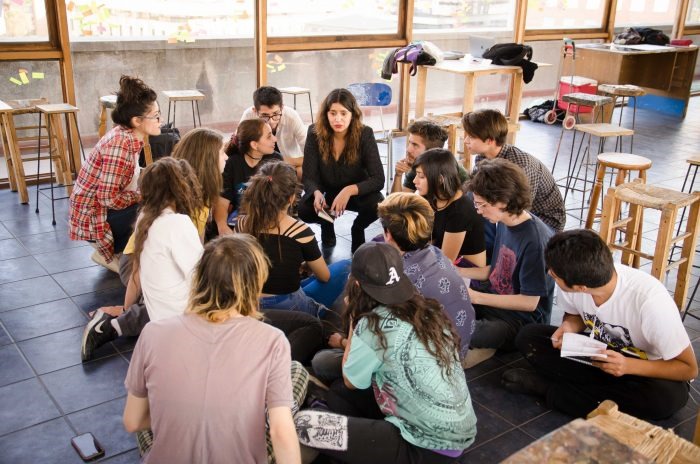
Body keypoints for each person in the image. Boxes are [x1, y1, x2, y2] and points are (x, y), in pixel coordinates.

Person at [123, 234, 301, 463]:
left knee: (150, 410)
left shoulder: (152, 333)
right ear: (255, 284)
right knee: (297, 373)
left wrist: (176, 415)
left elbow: (132, 421)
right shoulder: (273, 341)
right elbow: (281, 432)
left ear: (199, 277)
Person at [296, 242, 477, 464]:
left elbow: (351, 381)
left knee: (304, 424)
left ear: (356, 284)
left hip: (422, 449)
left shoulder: (372, 324)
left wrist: (354, 316)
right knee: (338, 393)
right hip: (458, 436)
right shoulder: (427, 309)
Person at [503, 230, 698, 420]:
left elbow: (688, 369)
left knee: (665, 399)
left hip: (645, 368)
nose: (549, 272)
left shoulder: (651, 302)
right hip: (600, 353)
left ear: (581, 287)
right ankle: (598, 392)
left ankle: (550, 390)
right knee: (529, 337)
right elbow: (575, 315)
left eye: (554, 275)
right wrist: (569, 327)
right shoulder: (577, 279)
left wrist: (628, 366)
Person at [80, 128, 228, 362]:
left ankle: (119, 321)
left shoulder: (149, 214)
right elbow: (197, 276)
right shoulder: (178, 222)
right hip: (168, 309)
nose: (226, 156)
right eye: (222, 152)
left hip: (157, 286)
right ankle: (117, 323)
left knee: (165, 296)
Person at [311, 193, 477, 382]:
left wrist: (343, 341)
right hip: (456, 351)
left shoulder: (394, 279)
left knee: (321, 361)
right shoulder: (436, 253)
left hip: (425, 369)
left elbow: (376, 336)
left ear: (388, 234)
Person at [458, 158, 555, 367]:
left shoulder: (534, 240)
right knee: (444, 307)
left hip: (519, 319)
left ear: (502, 201)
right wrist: (456, 272)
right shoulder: (503, 220)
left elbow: (529, 303)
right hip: (493, 299)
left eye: (481, 204)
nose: (478, 210)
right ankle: (479, 343)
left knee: (463, 328)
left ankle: (482, 344)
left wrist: (476, 297)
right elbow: (495, 271)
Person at [69, 75, 161, 272]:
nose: (160, 121)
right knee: (155, 208)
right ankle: (113, 253)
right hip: (94, 218)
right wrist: (140, 196)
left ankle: (119, 253)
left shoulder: (129, 136)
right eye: (155, 116)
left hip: (101, 210)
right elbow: (107, 198)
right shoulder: (120, 145)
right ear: (137, 121)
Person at [237, 161, 350, 316]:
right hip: (287, 305)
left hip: (247, 301)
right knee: (345, 266)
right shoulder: (299, 231)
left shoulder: (242, 223)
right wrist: (307, 264)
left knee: (301, 281)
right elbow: (324, 277)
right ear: (291, 198)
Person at [298, 88, 385, 253]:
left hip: (356, 193)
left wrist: (349, 190)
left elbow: (378, 179)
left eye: (343, 113)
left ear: (352, 114)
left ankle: (357, 229)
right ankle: (326, 222)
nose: (338, 119)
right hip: (327, 193)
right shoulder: (314, 132)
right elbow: (308, 175)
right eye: (333, 113)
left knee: (378, 204)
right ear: (326, 114)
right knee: (304, 209)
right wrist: (316, 192)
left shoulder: (365, 133)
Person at [463, 109, 565, 232]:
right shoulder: (482, 157)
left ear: (490, 140)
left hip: (545, 222)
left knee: (484, 207)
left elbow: (519, 210)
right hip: (510, 211)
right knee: (474, 196)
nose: (465, 141)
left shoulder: (521, 166)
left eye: (471, 137)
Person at [412, 148, 485, 266]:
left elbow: (446, 262)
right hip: (440, 255)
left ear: (439, 180)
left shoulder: (460, 210)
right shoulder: (432, 197)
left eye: (421, 176)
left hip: (466, 268)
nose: (415, 181)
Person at [214, 119, 283, 235]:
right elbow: (222, 200)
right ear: (254, 145)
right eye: (269, 136)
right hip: (241, 220)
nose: (275, 139)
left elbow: (281, 202)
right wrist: (222, 226)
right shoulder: (232, 163)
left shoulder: (276, 160)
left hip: (270, 220)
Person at [240, 86, 306, 177]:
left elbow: (309, 152)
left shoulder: (292, 117)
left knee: (302, 171)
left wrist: (282, 161)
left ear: (282, 107)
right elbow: (239, 145)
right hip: (257, 165)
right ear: (255, 111)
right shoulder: (248, 116)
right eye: (265, 115)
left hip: (289, 164)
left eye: (275, 114)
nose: (271, 121)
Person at [391, 120, 468, 194]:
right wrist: (398, 175)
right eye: (409, 143)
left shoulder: (457, 175)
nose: (408, 149)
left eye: (415, 145)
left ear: (431, 151)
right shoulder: (416, 170)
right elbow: (397, 201)